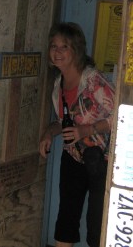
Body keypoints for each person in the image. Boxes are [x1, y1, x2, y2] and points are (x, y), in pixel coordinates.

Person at [39, 22, 115, 247]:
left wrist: (88, 130)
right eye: (54, 46)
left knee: (96, 225)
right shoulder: (58, 84)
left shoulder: (92, 80)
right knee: (66, 218)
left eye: (64, 47)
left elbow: (120, 116)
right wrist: (49, 133)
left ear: (76, 51)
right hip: (73, 156)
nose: (57, 52)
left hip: (101, 160)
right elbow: (63, 122)